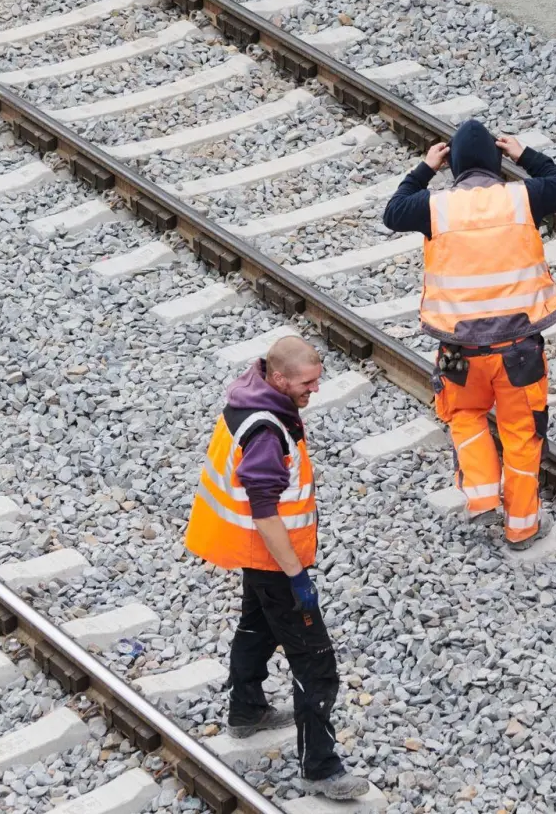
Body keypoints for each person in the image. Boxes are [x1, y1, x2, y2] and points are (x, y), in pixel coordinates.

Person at [184, 337, 369, 800]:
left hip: (253, 551)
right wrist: (296, 576)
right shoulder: (266, 431)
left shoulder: (252, 395)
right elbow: (265, 510)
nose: (315, 390)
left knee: (257, 627)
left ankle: (246, 711)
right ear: (280, 378)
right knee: (316, 661)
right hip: (271, 555)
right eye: (307, 383)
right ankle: (321, 769)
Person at [383, 119, 556, 549]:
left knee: (465, 416)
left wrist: (423, 168)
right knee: (521, 435)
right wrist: (524, 154)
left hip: (460, 351)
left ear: (452, 166)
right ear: (497, 162)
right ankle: (522, 527)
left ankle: (482, 494)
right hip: (520, 351)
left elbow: (392, 212)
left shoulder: (436, 207)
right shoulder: (520, 197)